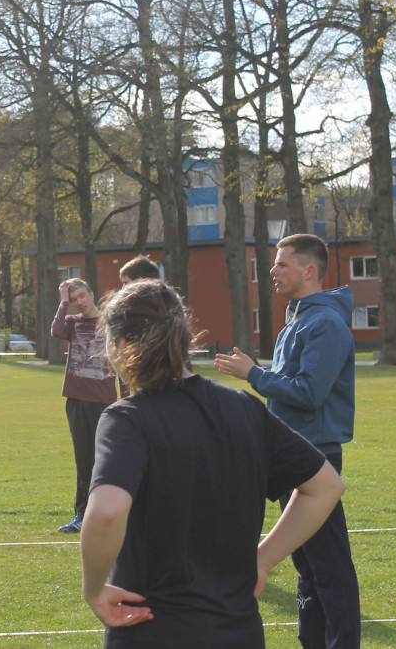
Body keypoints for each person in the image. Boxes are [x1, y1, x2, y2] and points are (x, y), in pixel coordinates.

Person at [81, 279, 346, 648]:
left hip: (151, 632)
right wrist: (264, 559)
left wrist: (93, 589)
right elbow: (326, 485)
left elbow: (107, 511)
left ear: (121, 345)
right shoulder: (244, 408)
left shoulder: (128, 419)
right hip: (238, 634)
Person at [214, 233, 361, 649]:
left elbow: (310, 393)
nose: (272, 272)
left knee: (329, 565)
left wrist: (253, 375)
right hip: (293, 454)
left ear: (309, 270)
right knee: (309, 565)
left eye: (281, 265)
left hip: (317, 457)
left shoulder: (325, 323)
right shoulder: (299, 319)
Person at [51, 277, 125, 534]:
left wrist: (127, 398)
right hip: (76, 400)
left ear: (92, 294)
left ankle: (112, 512)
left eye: (81, 296)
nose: (79, 302)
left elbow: (121, 363)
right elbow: (57, 332)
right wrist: (62, 304)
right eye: (73, 300)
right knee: (83, 459)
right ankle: (81, 514)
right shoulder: (71, 323)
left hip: (104, 401)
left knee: (105, 459)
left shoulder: (111, 323)